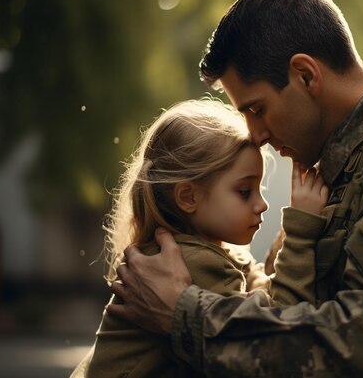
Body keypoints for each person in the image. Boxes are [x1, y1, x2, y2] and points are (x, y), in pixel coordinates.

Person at [108, 0, 363, 376]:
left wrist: (184, 314)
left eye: (257, 109)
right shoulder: (349, 167)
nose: (257, 135)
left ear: (305, 75)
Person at [71, 98, 329, 377]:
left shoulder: (186, 251)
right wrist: (301, 231)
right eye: (244, 191)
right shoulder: (192, 262)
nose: (262, 204)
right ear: (188, 197)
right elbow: (279, 323)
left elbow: (251, 285)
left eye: (260, 188)